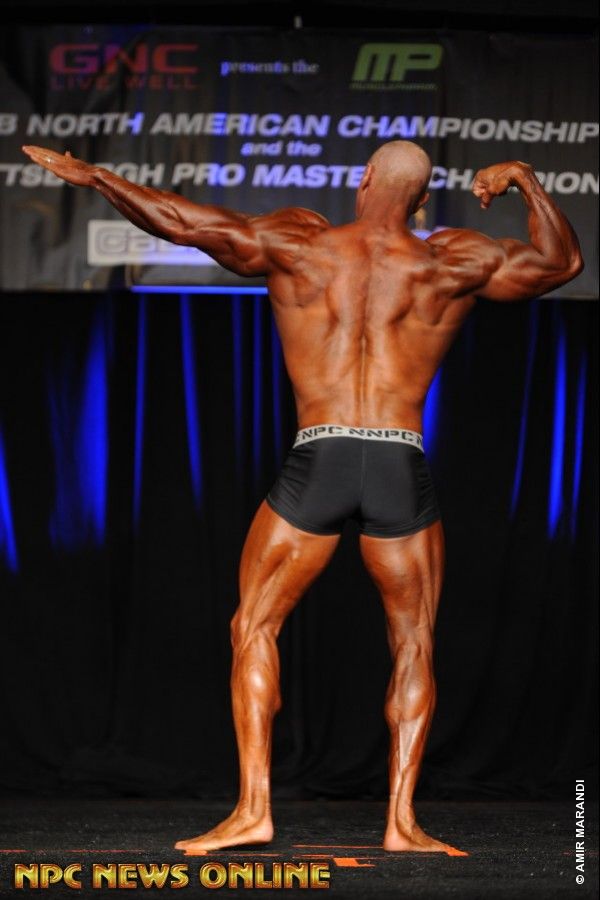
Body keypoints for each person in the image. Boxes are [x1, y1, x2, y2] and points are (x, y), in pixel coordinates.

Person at [22, 140, 583, 856]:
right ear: (420, 201)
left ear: (364, 180)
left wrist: (98, 177)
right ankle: (402, 824)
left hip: (320, 456)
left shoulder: (301, 243)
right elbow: (562, 263)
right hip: (398, 460)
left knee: (254, 627)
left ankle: (254, 811)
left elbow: (184, 223)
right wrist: (527, 181)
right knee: (414, 643)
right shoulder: (451, 260)